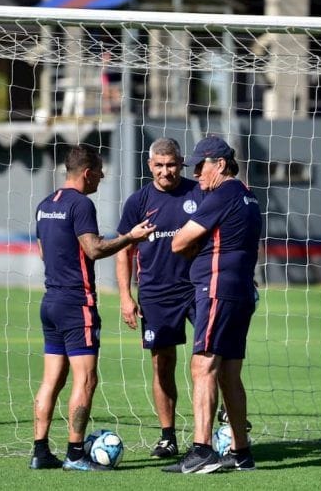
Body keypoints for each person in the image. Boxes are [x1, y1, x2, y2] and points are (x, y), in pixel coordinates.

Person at [30, 144, 156, 471]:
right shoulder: (81, 204)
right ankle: (74, 453)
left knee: (51, 380)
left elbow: (44, 252)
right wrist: (130, 237)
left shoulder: (45, 205)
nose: (102, 176)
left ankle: (40, 451)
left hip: (51, 302)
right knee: (86, 380)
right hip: (77, 304)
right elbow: (95, 249)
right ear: (87, 173)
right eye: (100, 171)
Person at [165, 136, 262, 474]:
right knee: (229, 374)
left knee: (203, 365)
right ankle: (241, 451)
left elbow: (179, 242)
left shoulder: (222, 194)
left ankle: (202, 450)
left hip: (217, 288)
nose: (196, 173)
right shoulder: (249, 197)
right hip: (241, 291)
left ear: (220, 164)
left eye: (200, 165)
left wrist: (193, 245)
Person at [115, 137, 204, 459]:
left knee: (209, 359)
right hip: (155, 293)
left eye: (171, 164)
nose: (166, 171)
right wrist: (125, 296)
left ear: (181, 163)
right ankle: (168, 437)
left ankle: (208, 435)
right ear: (149, 165)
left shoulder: (198, 193)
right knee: (162, 363)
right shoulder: (138, 201)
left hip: (198, 287)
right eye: (159, 165)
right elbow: (124, 251)